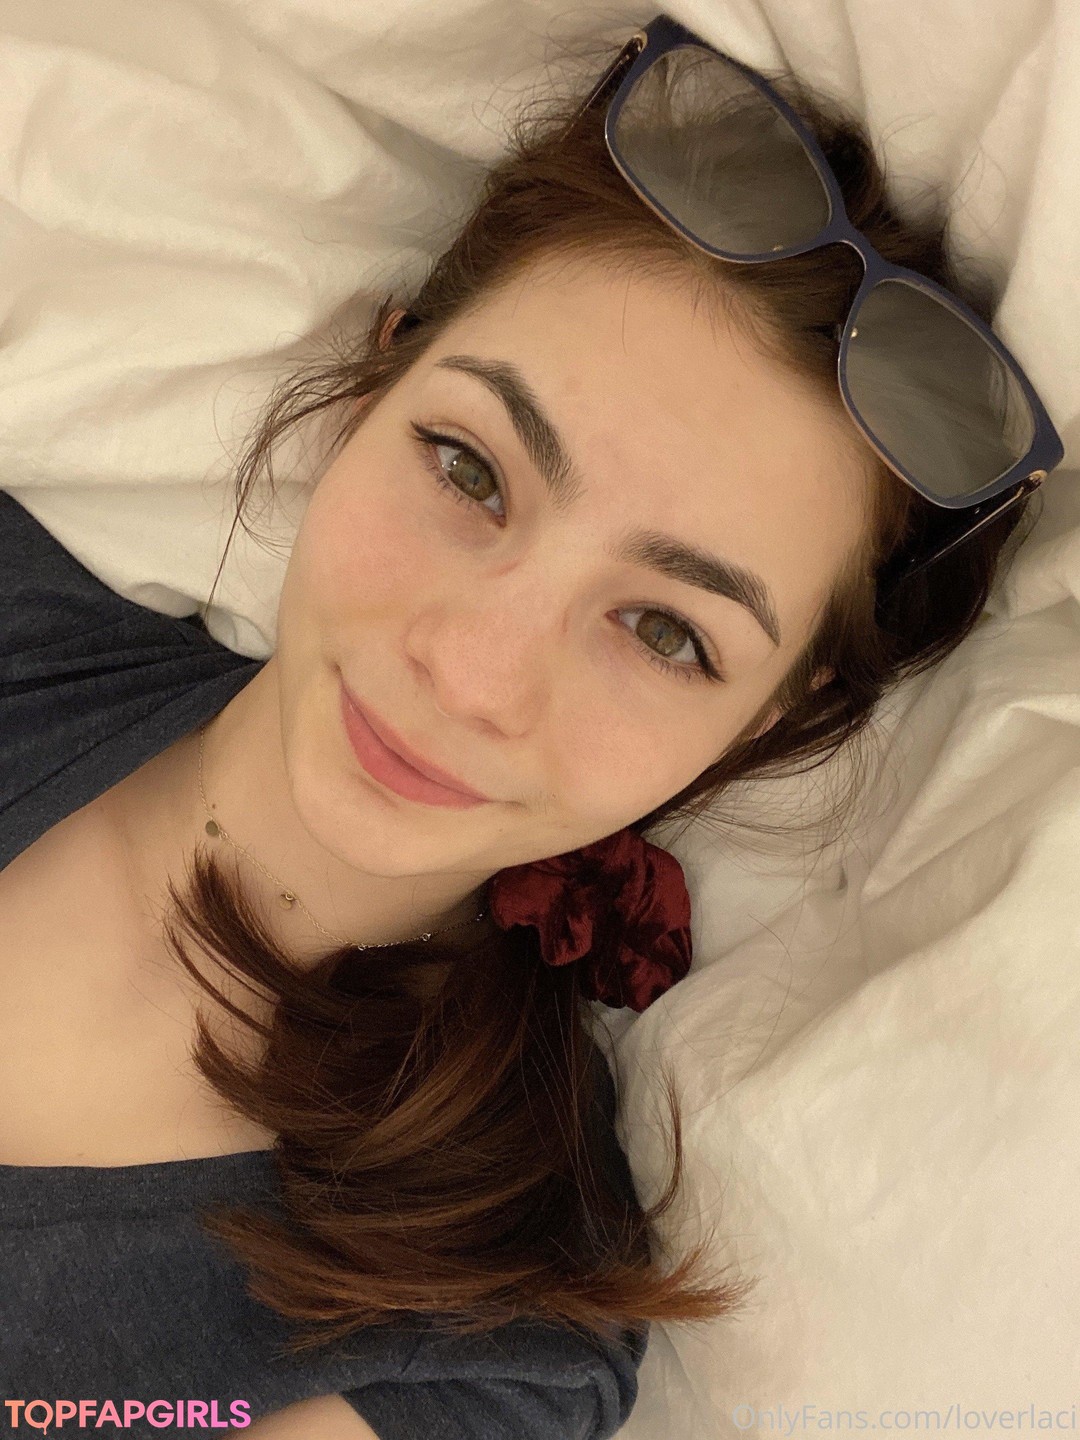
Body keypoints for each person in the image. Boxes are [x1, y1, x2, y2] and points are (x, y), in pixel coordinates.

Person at [0, 15, 1062, 1440]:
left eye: (667, 632)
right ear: (373, 386)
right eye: (469, 470)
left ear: (775, 719)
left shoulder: (475, 1330)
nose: (473, 674)